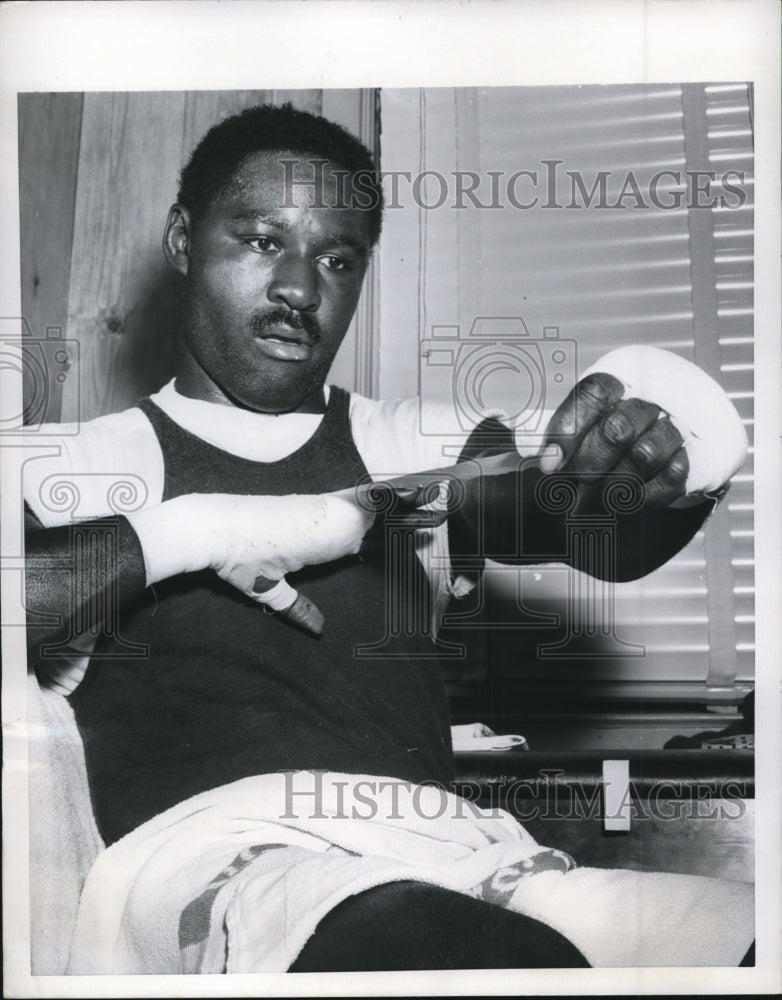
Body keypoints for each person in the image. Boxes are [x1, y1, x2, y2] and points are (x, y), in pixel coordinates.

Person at [23, 104, 753, 973]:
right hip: (221, 861)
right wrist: (194, 527)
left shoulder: (404, 445)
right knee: (476, 956)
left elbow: (592, 528)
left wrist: (660, 460)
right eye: (262, 241)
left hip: (457, 849)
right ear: (184, 239)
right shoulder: (84, 463)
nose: (300, 288)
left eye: (336, 259)